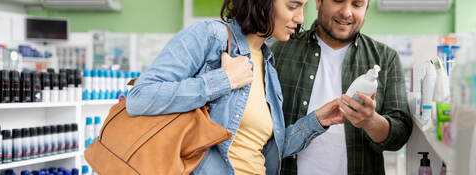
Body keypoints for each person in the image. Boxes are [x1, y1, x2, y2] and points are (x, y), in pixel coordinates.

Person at [126, 0, 348, 174]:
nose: (300, 18)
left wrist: (316, 121)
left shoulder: (267, 63)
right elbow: (139, 98)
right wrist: (223, 81)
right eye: (292, 6)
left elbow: (264, 149)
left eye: (303, 7)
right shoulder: (210, 36)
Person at [270, 0, 413, 174]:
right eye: (338, 1)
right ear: (318, 2)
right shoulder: (278, 52)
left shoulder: (385, 58)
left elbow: (400, 135)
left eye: (357, 4)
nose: (346, 12)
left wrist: (370, 121)